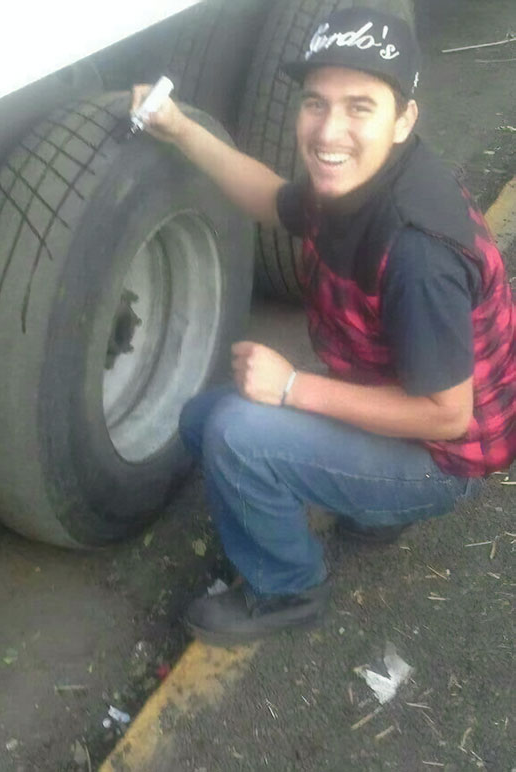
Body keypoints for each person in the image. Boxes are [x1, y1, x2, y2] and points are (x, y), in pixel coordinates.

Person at [131, 6, 516, 647]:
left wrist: (292, 390)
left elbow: (448, 415)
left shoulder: (418, 252)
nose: (328, 129)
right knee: (204, 420)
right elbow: (270, 199)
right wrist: (179, 130)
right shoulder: (354, 180)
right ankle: (372, 507)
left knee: (234, 433)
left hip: (444, 459)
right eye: (316, 103)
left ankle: (289, 587)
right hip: (401, 410)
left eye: (359, 106)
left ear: (404, 120)